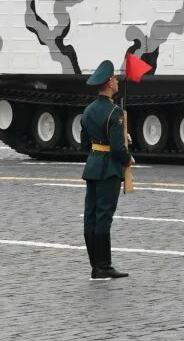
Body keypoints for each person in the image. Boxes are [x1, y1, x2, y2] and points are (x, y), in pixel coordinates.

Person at [82, 60, 132, 281]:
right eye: (115, 78)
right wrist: (128, 158)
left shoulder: (88, 110)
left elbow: (85, 142)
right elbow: (118, 149)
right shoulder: (115, 112)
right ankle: (103, 266)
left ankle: (95, 265)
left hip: (92, 166)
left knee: (91, 216)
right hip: (109, 169)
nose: (117, 80)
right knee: (104, 216)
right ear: (109, 83)